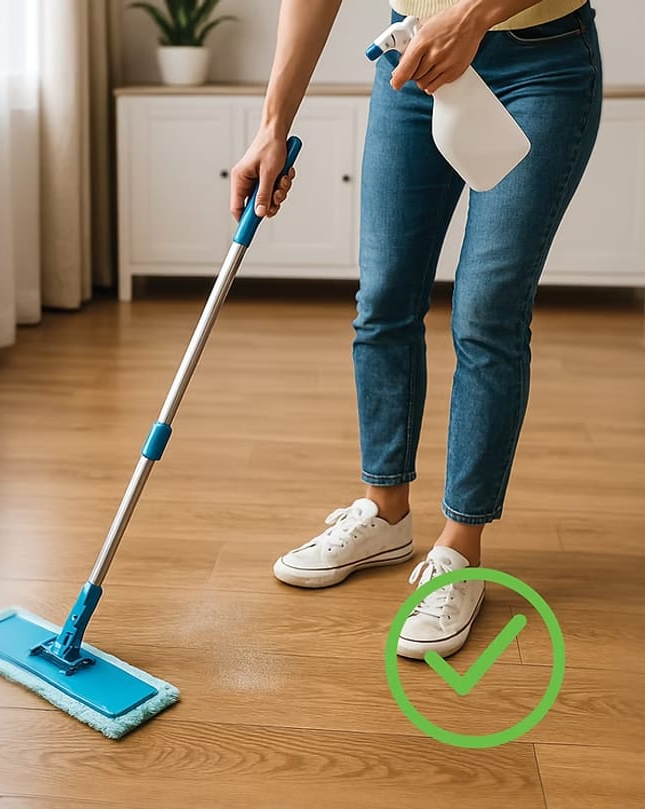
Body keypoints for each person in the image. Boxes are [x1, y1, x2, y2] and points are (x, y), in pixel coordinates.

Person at [230, 0, 602, 659]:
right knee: (384, 295)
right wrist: (272, 122)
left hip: (540, 66)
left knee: (487, 310)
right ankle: (386, 512)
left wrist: (475, 15)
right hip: (412, 57)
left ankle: (460, 547)